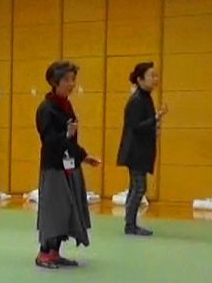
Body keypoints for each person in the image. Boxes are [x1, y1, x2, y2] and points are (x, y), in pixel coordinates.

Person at [35, 60, 102, 269]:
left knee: (68, 210)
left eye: (73, 79)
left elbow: (70, 141)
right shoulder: (46, 109)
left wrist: (83, 156)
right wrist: (66, 133)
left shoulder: (66, 106)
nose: (71, 84)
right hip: (54, 167)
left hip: (68, 166)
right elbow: (49, 140)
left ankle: (55, 253)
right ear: (55, 82)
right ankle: (44, 253)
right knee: (55, 210)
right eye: (66, 80)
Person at [117, 62, 167, 237]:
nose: (155, 79)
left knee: (136, 187)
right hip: (135, 151)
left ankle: (130, 223)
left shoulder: (145, 97)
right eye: (151, 75)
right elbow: (136, 126)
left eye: (156, 75)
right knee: (138, 188)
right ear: (140, 79)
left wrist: (154, 124)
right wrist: (155, 118)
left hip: (139, 150)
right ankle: (130, 225)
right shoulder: (138, 100)